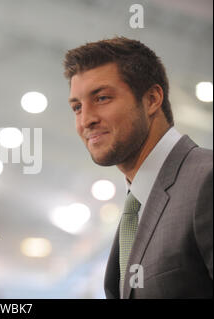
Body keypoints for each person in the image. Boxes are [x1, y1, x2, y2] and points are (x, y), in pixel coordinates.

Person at [63, 37, 212, 298]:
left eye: (102, 98)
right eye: (77, 107)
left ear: (152, 99)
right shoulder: (137, 204)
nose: (86, 120)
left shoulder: (206, 180)